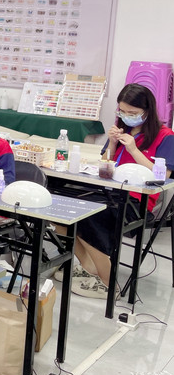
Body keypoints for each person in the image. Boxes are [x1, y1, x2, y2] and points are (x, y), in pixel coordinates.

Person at [70, 83, 174, 299]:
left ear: (147, 111)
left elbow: (162, 176)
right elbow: (105, 164)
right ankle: (90, 267)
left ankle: (109, 285)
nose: (127, 117)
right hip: (109, 191)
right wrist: (112, 144)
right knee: (67, 205)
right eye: (122, 111)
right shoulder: (121, 130)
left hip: (136, 202)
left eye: (133, 113)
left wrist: (133, 149)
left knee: (92, 215)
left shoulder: (165, 136)